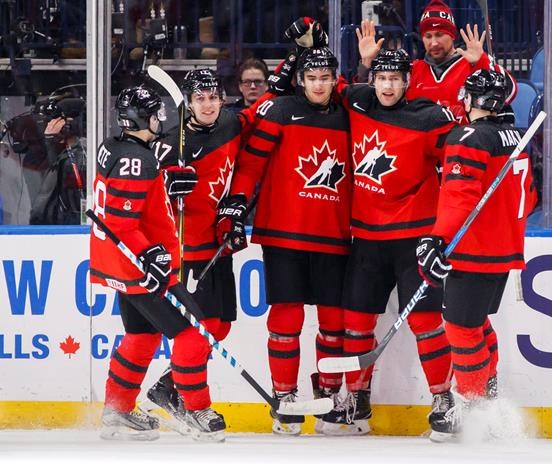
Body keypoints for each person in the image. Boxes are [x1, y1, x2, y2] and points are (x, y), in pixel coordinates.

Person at [316, 48, 457, 436]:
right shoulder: (358, 101)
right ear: (372, 80)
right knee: (355, 322)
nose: (388, 86)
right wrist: (355, 59)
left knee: (426, 322)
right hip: (366, 238)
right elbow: (322, 82)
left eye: (395, 79)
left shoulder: (429, 118)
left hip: (415, 239)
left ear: (407, 82)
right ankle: (356, 398)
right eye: (382, 78)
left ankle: (443, 399)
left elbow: (462, 158)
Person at [217, 46, 351, 436]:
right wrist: (236, 202)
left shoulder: (349, 116)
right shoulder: (278, 112)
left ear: (335, 80)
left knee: (333, 322)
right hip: (283, 233)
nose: (319, 85)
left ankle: (330, 395)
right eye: (311, 78)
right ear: (299, 80)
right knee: (286, 320)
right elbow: (250, 164)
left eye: (325, 78)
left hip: (334, 234)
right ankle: (285, 397)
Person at [89, 84, 225, 441]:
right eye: (153, 115)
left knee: (142, 335)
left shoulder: (113, 147)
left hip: (119, 265)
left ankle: (118, 409)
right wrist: (150, 254)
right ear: (140, 119)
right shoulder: (139, 161)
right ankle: (195, 410)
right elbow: (121, 223)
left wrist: (163, 180)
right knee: (194, 332)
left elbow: (126, 198)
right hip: (140, 268)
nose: (158, 120)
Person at [141, 67, 268, 433]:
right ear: (189, 103)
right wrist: (166, 184)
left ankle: (169, 385)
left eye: (213, 98)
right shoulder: (169, 144)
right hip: (186, 248)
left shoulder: (230, 124)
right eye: (200, 99)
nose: (208, 105)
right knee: (199, 330)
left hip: (216, 245)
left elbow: (263, 109)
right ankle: (195, 404)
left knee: (221, 325)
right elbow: (142, 192)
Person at [417, 69, 536, 440]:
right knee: (476, 321)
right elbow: (530, 197)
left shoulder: (468, 136)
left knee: (460, 326)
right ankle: (487, 389)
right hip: (504, 249)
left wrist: (436, 238)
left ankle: (471, 405)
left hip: (474, 250)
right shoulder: (515, 137)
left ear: (470, 99)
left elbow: (459, 197)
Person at [356, 0, 517, 121]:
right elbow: (371, 100)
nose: (433, 43)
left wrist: (481, 62)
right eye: (428, 36)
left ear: (452, 35)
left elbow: (510, 92)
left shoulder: (472, 63)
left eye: (439, 35)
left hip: (462, 149)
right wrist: (366, 63)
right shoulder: (412, 70)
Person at [29, 94, 86, 225]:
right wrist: (50, 144)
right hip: (50, 223)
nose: (50, 126)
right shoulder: (45, 152)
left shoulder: (83, 153)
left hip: (73, 222)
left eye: (57, 120)